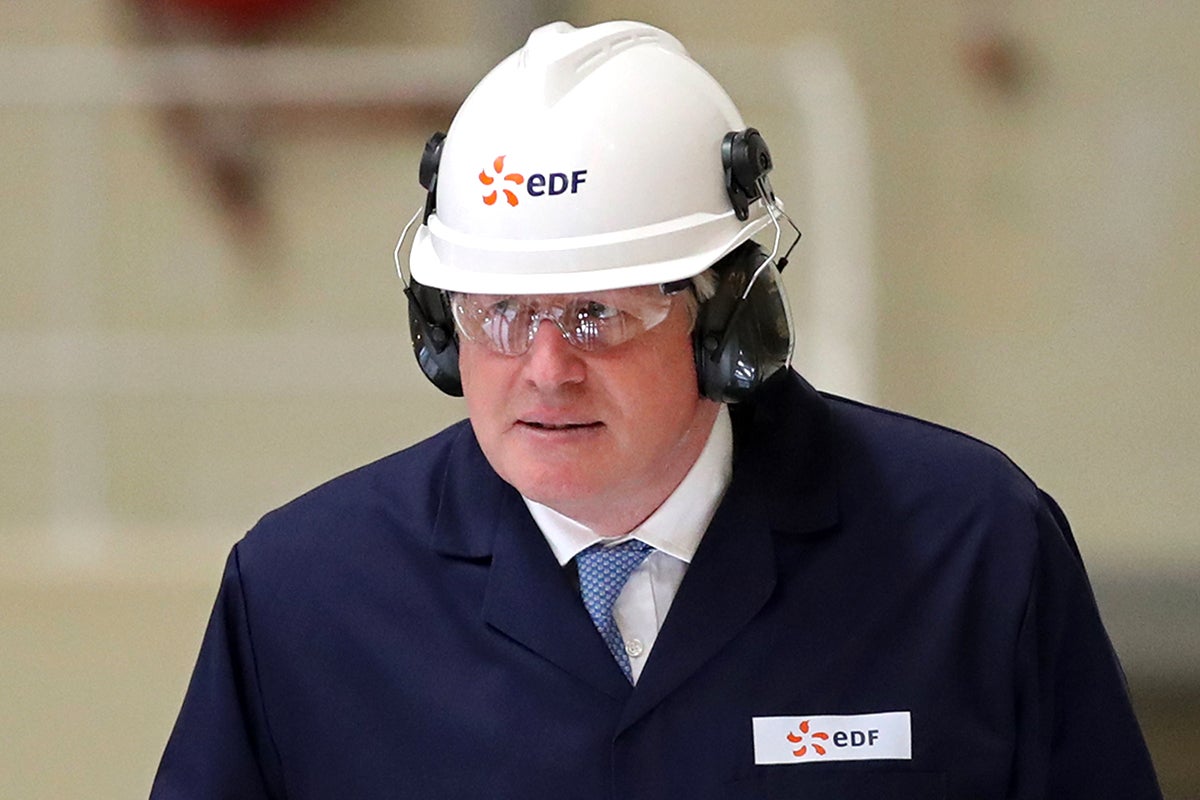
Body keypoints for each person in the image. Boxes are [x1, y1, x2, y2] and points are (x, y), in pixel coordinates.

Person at [150, 20, 1162, 800]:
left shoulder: (970, 547)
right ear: (438, 326)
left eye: (598, 313)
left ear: (727, 318)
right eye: (499, 312)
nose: (546, 369)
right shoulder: (306, 596)